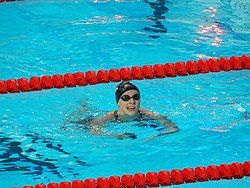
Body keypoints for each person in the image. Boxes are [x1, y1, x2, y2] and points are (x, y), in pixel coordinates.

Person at [89, 81, 179, 140]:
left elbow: (173, 128)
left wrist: (156, 136)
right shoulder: (109, 117)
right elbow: (93, 130)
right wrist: (115, 135)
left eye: (136, 97)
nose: (132, 102)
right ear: (118, 102)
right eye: (126, 98)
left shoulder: (149, 115)